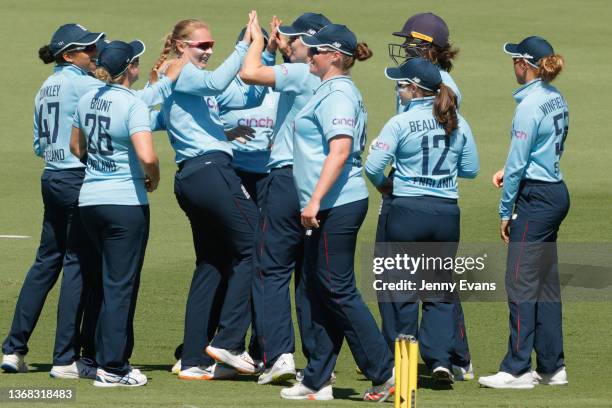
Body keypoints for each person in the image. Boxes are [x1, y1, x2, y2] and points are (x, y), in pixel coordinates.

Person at [278, 23, 394, 402]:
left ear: (335, 56)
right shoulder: (328, 90)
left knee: (336, 288)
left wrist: (313, 201)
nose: (308, 55)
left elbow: (340, 151)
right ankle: (317, 379)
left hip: (336, 204)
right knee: (316, 288)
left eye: (315, 51)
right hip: (327, 203)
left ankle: (384, 372)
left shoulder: (339, 94)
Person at [151, 14, 263, 381]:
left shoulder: (190, 78)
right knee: (257, 245)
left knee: (212, 264)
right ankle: (229, 340)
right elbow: (216, 81)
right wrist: (243, 45)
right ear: (182, 45)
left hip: (199, 175)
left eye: (212, 44)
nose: (209, 50)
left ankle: (194, 358)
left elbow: (248, 93)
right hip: (210, 174)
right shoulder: (177, 68)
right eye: (203, 45)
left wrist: (268, 57)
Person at [365, 57, 479, 383]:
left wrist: (385, 185)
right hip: (446, 215)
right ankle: (440, 360)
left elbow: (373, 165)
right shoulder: (456, 120)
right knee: (439, 292)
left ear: (414, 89)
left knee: (403, 290)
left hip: (407, 212)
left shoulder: (400, 122)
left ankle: (404, 366)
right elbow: (470, 168)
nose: (398, 90)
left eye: (401, 85)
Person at [1, 23, 105, 378]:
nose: (96, 54)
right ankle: (66, 358)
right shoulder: (84, 84)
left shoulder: (45, 87)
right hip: (77, 179)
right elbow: (123, 101)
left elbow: (37, 145)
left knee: (46, 263)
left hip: (51, 177)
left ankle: (14, 348)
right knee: (76, 264)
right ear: (68, 55)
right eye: (89, 49)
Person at [70, 39, 173, 387]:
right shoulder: (131, 103)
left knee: (101, 281)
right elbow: (148, 156)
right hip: (124, 204)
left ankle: (91, 356)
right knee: (120, 286)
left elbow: (76, 146)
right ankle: (113, 368)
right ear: (130, 69)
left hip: (90, 201)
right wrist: (153, 178)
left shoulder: (86, 99)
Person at [240, 11, 331, 385]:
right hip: (318, 185)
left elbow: (249, 73)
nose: (287, 43)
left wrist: (258, 44)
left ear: (309, 45)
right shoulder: (328, 80)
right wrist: (284, 52)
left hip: (285, 179)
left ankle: (277, 354)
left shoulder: (298, 73)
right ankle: (318, 358)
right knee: (309, 275)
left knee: (271, 267)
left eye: (293, 40)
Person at [479, 36, 569, 389]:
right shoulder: (555, 97)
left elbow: (518, 164)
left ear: (524, 65)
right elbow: (540, 150)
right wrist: (513, 169)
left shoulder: (528, 107)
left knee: (519, 280)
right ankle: (551, 366)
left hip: (535, 200)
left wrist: (506, 211)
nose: (511, 65)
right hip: (555, 191)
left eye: (514, 59)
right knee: (545, 283)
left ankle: (517, 368)